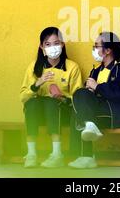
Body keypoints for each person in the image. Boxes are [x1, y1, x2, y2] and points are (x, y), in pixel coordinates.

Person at [68, 32, 120, 169]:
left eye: (96, 46)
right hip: (100, 111)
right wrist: (90, 91)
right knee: (80, 96)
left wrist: (97, 87)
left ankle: (86, 156)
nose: (94, 50)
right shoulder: (96, 71)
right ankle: (89, 130)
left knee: (81, 113)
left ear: (108, 50)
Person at [20, 27, 83, 168]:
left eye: (56, 43)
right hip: (38, 113)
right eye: (48, 44)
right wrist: (37, 84)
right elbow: (23, 97)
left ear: (62, 44)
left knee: (50, 102)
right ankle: (31, 154)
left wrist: (61, 97)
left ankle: (57, 154)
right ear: (42, 47)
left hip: (63, 112)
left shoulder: (72, 67)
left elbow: (79, 99)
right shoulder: (34, 67)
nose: (52, 47)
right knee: (31, 104)